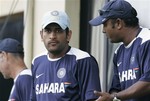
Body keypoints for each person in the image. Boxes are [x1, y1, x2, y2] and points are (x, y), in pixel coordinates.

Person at [30, 10, 101, 101]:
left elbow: (92, 98)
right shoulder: (37, 61)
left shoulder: (83, 60)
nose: (52, 36)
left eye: (58, 30)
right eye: (48, 31)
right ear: (41, 35)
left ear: (68, 35)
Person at [89, 0, 150, 101]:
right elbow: (116, 90)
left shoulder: (147, 41)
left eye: (105, 24)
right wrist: (111, 97)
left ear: (118, 23)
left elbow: (148, 83)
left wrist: (114, 97)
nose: (103, 31)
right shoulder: (118, 52)